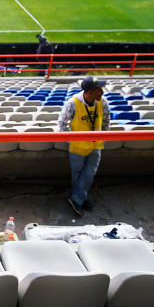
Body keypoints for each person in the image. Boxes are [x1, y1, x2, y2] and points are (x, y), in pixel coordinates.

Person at [58, 76, 111, 217]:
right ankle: (82, 197)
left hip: (96, 144)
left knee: (90, 172)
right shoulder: (73, 103)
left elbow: (106, 120)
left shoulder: (103, 102)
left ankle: (77, 198)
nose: (102, 92)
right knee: (78, 173)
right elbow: (62, 123)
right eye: (99, 90)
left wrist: (102, 136)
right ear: (89, 92)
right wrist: (70, 140)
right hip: (78, 146)